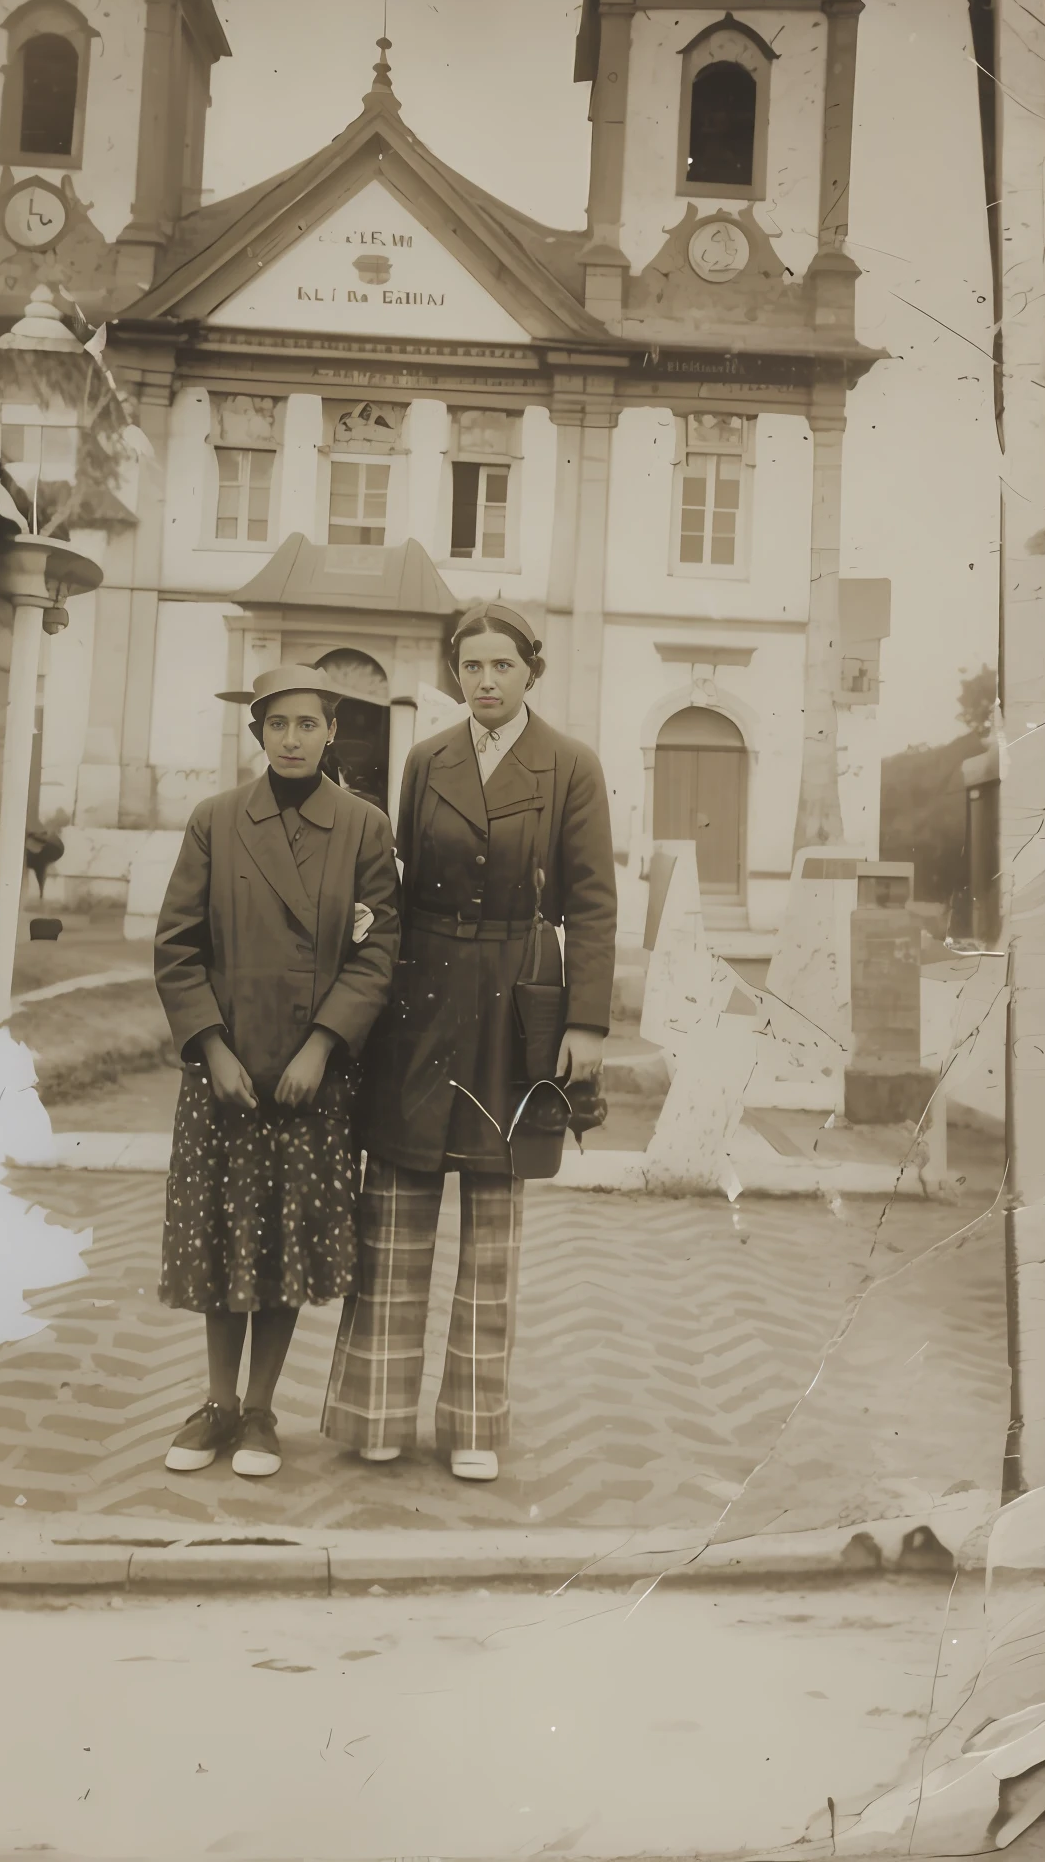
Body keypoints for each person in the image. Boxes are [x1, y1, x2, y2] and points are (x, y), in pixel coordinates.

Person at [322, 605, 617, 1483]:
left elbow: (594, 903)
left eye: (503, 665)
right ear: (456, 675)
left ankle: (474, 1424)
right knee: (399, 1202)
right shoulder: (426, 760)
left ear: (533, 671)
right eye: (471, 666)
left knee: (494, 1215)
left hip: (518, 994)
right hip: (426, 988)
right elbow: (405, 879)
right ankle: (377, 1411)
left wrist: (587, 1022)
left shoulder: (572, 766)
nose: (485, 681)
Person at [154, 665, 400, 1480]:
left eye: (308, 724)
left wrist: (324, 1046)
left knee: (284, 1242)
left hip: (309, 1082)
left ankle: (260, 1409)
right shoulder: (215, 822)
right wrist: (213, 1050)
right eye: (277, 725)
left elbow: (376, 954)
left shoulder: (365, 828)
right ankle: (217, 1403)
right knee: (223, 1238)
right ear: (256, 734)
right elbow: (178, 949)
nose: (292, 739)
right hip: (227, 1074)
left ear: (333, 732)